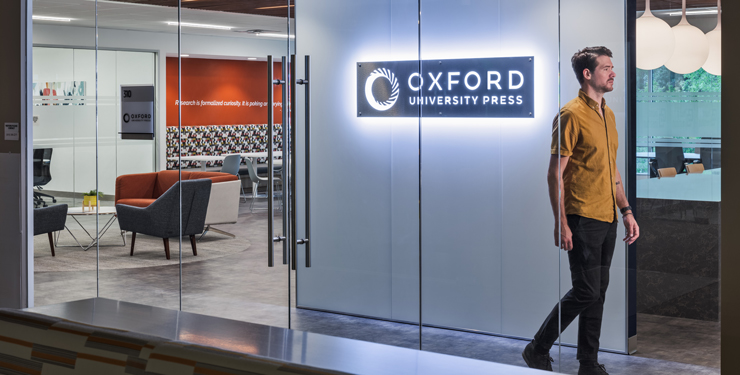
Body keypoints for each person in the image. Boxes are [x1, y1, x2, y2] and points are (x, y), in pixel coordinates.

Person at [521, 46, 640, 375]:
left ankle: (588, 362)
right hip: (582, 217)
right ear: (588, 74)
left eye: (612, 67)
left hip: (607, 217)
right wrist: (560, 222)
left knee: (597, 293)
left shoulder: (608, 115)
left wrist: (626, 211)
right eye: (606, 68)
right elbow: (554, 175)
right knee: (586, 290)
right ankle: (538, 347)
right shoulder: (571, 114)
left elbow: (611, 170)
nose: (613, 73)